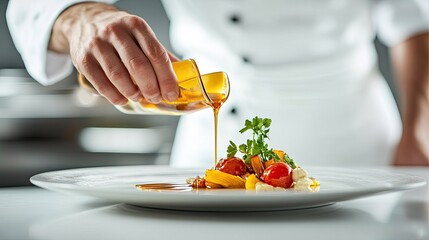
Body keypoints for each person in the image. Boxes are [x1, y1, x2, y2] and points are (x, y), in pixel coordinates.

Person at [6, 0, 429, 167]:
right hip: (207, 138)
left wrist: (419, 134)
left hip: (353, 143)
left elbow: (418, 22)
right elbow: (40, 5)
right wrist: (79, 16)